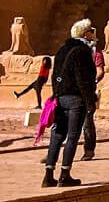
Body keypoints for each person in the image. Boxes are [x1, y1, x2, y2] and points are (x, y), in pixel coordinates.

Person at [40, 19, 98, 188]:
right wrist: (90, 100)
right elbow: (83, 78)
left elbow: (55, 76)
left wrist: (56, 94)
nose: (93, 34)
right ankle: (65, 175)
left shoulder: (62, 50)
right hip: (76, 99)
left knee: (57, 135)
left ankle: (48, 175)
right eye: (91, 31)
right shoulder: (82, 51)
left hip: (60, 97)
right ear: (85, 33)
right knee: (72, 136)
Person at [82, 34, 106, 161]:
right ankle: (54, 152)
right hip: (73, 91)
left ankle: (89, 150)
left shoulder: (96, 53)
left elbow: (100, 71)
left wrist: (93, 82)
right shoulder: (75, 52)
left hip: (88, 92)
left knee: (87, 122)